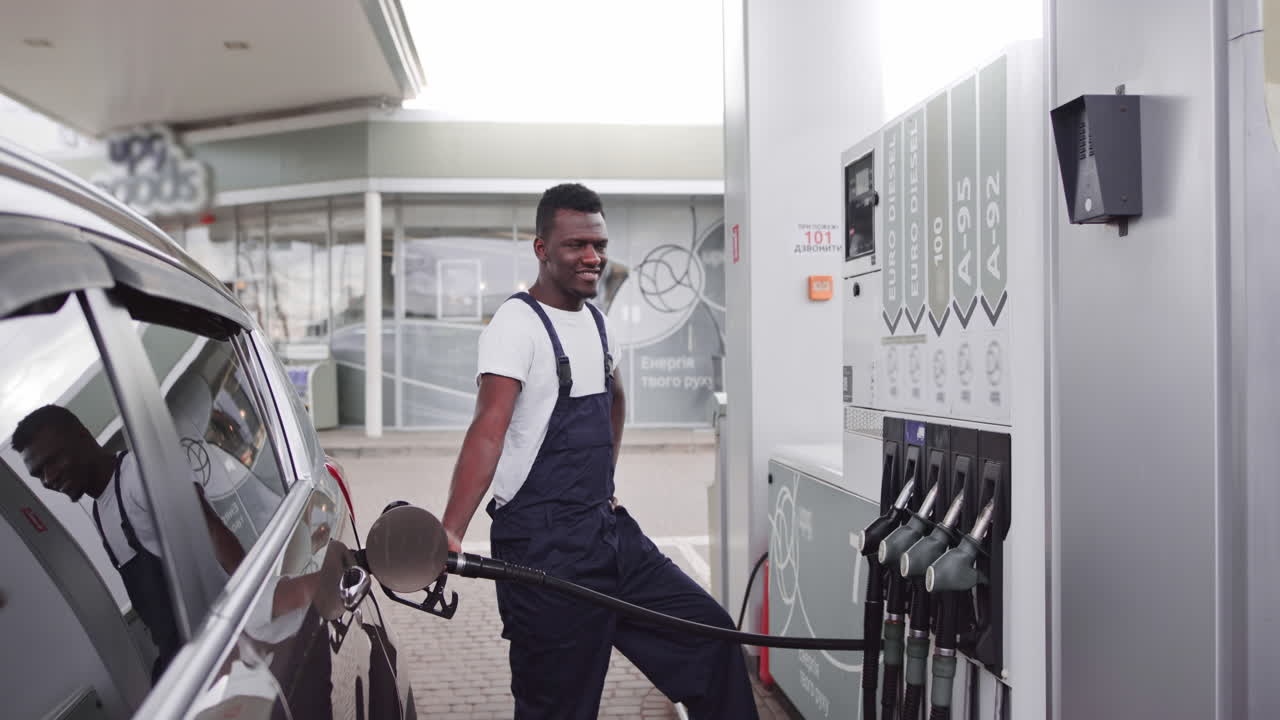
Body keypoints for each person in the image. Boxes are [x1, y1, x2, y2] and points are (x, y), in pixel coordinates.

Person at [440, 183, 758, 719]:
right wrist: (450, 529)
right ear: (542, 249)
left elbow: (615, 399)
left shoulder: (596, 321)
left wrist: (604, 485)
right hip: (542, 553)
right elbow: (488, 428)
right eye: (576, 245)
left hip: (606, 536)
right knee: (560, 708)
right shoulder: (515, 326)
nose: (593, 257)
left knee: (710, 639)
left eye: (600, 244)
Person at [13, 404, 245, 681]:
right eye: (39, 473)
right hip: (186, 663)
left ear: (83, 436)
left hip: (222, 646)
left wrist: (263, 608)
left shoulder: (141, 475)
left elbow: (213, 533)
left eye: (54, 460)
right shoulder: (101, 510)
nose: (49, 477)